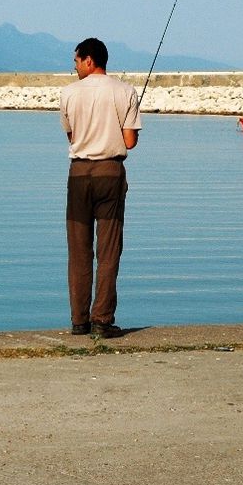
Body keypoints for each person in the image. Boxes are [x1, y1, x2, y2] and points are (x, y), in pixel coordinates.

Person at [59, 38, 141, 338]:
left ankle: (79, 321)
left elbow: (72, 138)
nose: (75, 67)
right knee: (108, 250)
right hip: (110, 172)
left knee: (78, 249)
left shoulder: (68, 94)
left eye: (77, 62)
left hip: (79, 174)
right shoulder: (126, 91)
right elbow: (130, 142)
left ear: (89, 60)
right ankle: (102, 320)